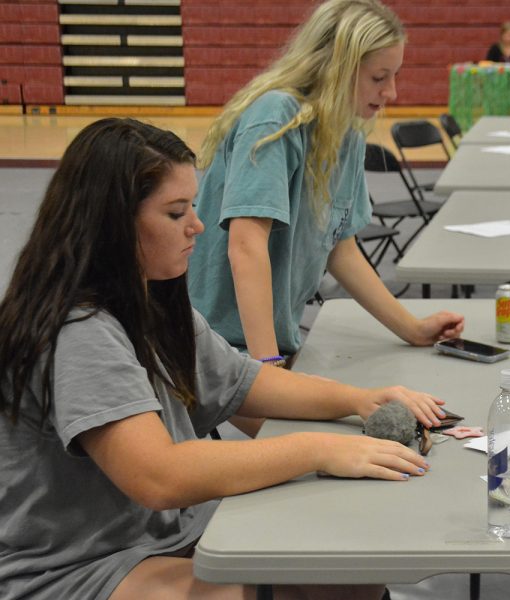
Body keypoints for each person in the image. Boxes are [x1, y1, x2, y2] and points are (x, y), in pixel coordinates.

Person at [0, 118, 446, 600]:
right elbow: (159, 476)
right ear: (112, 225)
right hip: (72, 566)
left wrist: (359, 400)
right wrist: (316, 449)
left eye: (192, 205)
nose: (197, 225)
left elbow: (246, 381)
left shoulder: (150, 302)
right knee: (267, 587)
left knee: (348, 574)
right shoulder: (80, 331)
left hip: (160, 534)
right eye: (175, 214)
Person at [188, 0, 464, 380]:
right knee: (322, 435)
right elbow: (246, 246)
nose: (393, 93)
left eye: (394, 76)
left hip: (267, 343)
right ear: (337, 68)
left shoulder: (344, 131)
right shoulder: (276, 118)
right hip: (213, 344)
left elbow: (341, 250)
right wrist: (267, 369)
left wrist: (412, 328)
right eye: (379, 77)